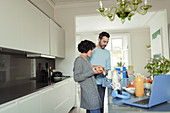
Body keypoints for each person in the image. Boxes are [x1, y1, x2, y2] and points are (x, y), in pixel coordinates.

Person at [73, 40, 104, 113]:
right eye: (91, 49)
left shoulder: (85, 59)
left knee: (96, 109)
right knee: (95, 109)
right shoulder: (79, 60)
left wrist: (97, 69)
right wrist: (93, 72)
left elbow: (88, 71)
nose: (92, 51)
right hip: (89, 93)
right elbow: (77, 77)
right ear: (86, 49)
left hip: (92, 91)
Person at [88, 31, 111, 113]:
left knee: (100, 105)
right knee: (91, 106)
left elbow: (108, 69)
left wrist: (104, 71)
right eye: (104, 41)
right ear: (99, 39)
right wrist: (96, 68)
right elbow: (86, 65)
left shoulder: (107, 53)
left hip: (102, 83)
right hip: (91, 83)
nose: (106, 44)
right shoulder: (91, 50)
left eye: (107, 42)